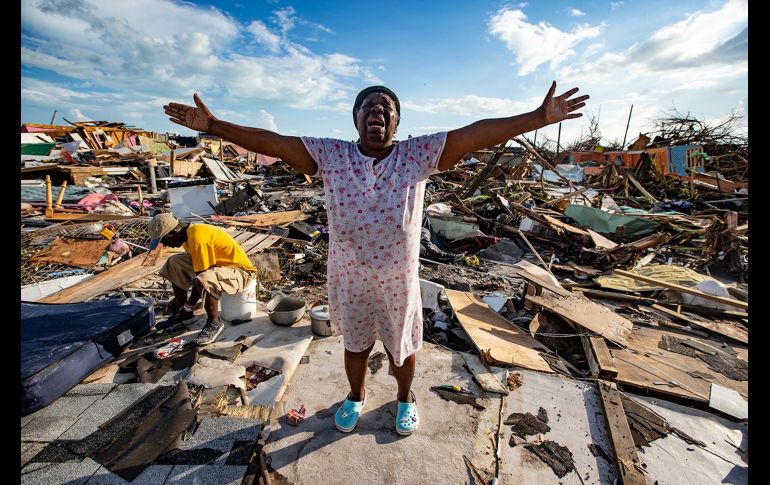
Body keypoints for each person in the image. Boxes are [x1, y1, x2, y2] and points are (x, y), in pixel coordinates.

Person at [163, 81, 588, 435]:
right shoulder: (332, 156)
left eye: (386, 108)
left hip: (398, 279)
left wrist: (537, 118)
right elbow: (275, 142)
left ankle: (405, 398)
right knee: (355, 344)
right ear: (355, 118)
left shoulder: (416, 156)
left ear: (398, 122)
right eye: (368, 106)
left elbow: (471, 134)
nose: (377, 112)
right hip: (350, 277)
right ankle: (356, 395)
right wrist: (215, 126)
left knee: (401, 347)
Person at [147, 213, 258, 345]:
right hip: (219, 265)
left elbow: (201, 279)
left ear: (174, 232)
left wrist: (190, 305)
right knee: (174, 263)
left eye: (164, 240)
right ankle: (183, 314)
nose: (165, 245)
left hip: (241, 272)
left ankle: (214, 323)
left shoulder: (198, 238)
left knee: (205, 278)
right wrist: (185, 306)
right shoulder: (187, 235)